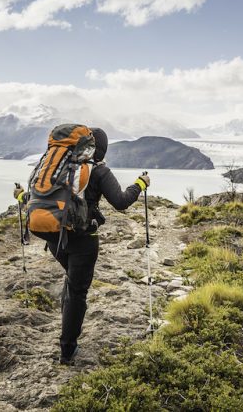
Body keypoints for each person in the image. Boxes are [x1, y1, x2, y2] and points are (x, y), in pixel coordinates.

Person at [13, 127, 150, 365]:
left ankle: (68, 325)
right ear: (101, 150)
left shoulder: (56, 167)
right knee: (77, 291)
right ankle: (67, 350)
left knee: (72, 281)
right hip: (83, 239)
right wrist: (140, 183)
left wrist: (20, 196)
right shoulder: (98, 171)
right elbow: (121, 201)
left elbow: (42, 198)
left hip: (53, 235)